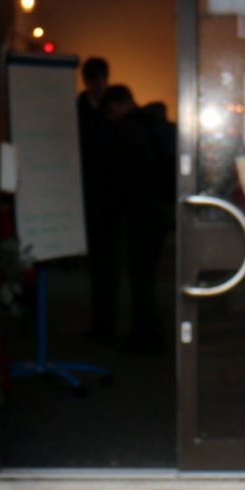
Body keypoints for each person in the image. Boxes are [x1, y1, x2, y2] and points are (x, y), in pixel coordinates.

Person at [99, 85, 176, 352]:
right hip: (159, 210)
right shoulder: (154, 124)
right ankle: (149, 333)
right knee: (146, 277)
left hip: (140, 212)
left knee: (140, 278)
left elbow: (124, 176)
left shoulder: (127, 131)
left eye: (110, 111)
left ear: (121, 105)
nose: (109, 117)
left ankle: (146, 336)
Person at [75, 56, 118, 342]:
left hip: (110, 195)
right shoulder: (78, 109)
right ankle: (100, 320)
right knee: (99, 264)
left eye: (103, 79)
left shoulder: (110, 107)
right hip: (86, 192)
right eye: (95, 80)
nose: (100, 85)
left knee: (109, 263)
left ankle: (107, 321)